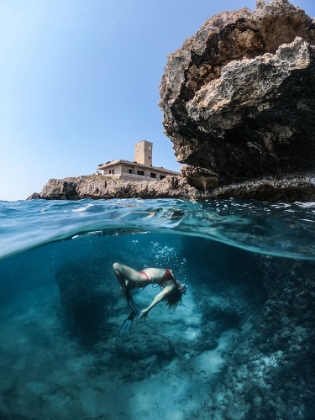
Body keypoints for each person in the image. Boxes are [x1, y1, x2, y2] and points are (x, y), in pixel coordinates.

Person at [113, 262, 187, 331]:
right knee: (124, 290)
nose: (185, 287)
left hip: (142, 278)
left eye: (184, 290)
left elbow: (159, 297)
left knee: (116, 266)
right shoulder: (172, 277)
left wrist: (147, 310)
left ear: (179, 290)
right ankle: (132, 309)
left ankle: (125, 290)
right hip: (142, 275)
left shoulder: (172, 286)